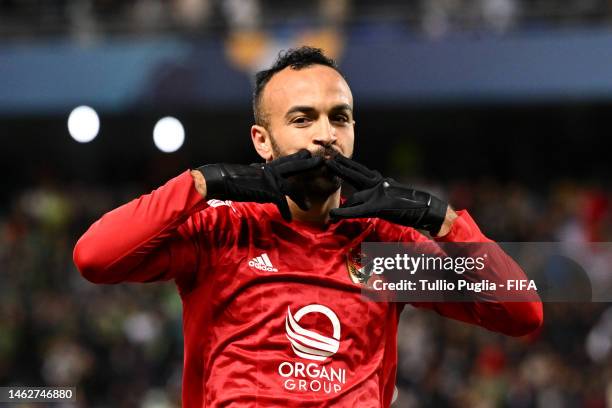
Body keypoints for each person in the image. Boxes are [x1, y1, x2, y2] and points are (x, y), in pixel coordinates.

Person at [73, 46, 543, 407]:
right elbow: (95, 257)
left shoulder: (385, 245)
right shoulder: (222, 229)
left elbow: (522, 314)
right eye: (302, 119)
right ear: (263, 140)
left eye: (339, 117)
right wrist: (202, 183)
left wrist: (441, 220)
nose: (325, 135)